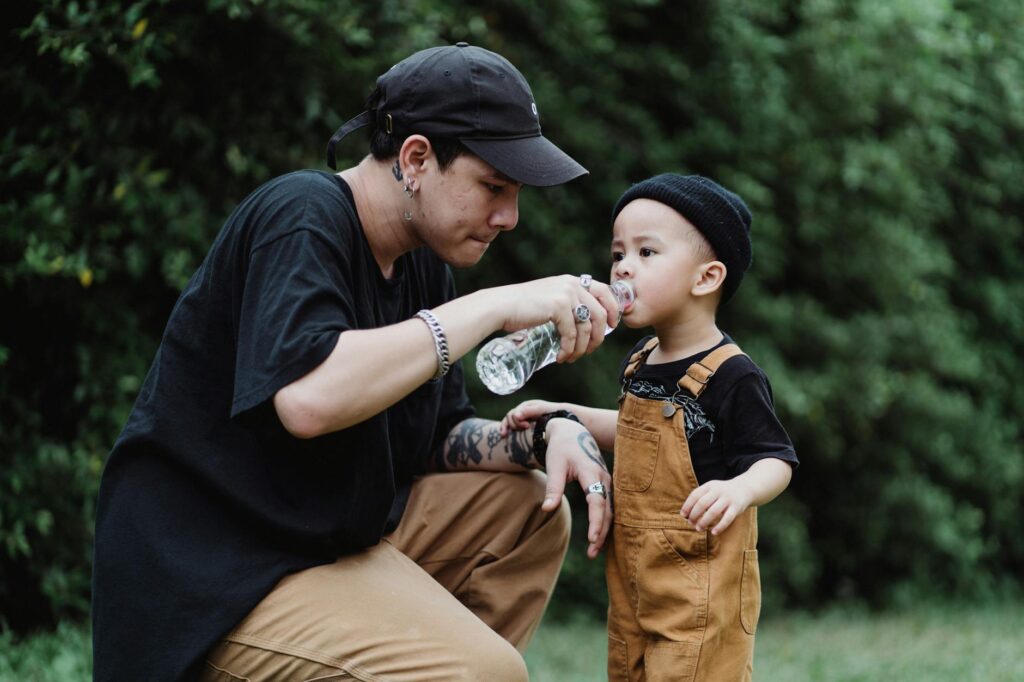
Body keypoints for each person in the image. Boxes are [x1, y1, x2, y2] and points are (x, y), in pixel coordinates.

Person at [91, 43, 619, 682]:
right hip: (217, 576)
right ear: (416, 158)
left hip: (323, 541)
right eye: (492, 187)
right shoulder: (302, 215)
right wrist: (490, 308)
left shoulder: (423, 259)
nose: (508, 217)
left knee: (526, 507)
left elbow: (438, 441)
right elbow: (307, 399)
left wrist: (546, 433)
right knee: (483, 672)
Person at [501, 174, 799, 681]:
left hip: (700, 586)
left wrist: (740, 488)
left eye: (646, 253)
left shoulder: (731, 373)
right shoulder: (643, 361)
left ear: (705, 278)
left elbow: (775, 459)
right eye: (618, 254)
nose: (623, 268)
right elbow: (634, 430)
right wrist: (562, 410)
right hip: (636, 580)